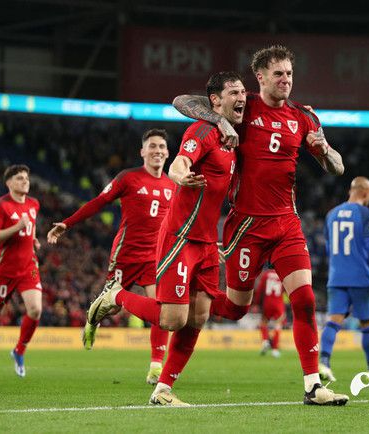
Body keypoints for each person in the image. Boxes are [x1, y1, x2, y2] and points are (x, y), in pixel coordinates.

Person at [173, 45, 348, 406]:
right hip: (246, 226)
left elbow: (338, 167)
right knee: (236, 308)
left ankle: (313, 386)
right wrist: (221, 122)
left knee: (304, 299)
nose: (286, 80)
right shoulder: (244, 105)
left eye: (290, 74)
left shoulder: (303, 117)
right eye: (278, 74)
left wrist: (324, 151)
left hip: (286, 223)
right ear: (261, 77)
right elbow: (181, 101)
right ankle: (190, 300)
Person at [86, 71, 244, 406]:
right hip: (181, 237)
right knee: (174, 319)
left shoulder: (232, 141)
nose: (242, 97)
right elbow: (180, 162)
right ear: (215, 101)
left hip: (207, 242)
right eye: (234, 92)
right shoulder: (202, 131)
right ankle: (116, 295)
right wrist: (181, 176)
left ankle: (162, 390)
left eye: (243, 91)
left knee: (199, 317)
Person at [46, 129, 176, 385]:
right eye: (152, 146)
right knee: (112, 307)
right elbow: (98, 202)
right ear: (142, 151)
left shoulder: (173, 186)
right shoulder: (128, 178)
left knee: (161, 307)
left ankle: (155, 366)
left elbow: (176, 224)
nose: (157, 150)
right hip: (125, 255)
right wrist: (68, 224)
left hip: (155, 257)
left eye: (162, 146)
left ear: (168, 152)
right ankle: (92, 320)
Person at [318, 176, 369, 383]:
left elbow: (328, 248)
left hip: (336, 277)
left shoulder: (331, 214)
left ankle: (324, 363)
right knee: (367, 324)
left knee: (333, 322)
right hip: (360, 277)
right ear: (366, 193)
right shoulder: (366, 214)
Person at [0, 164, 42, 378]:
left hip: (29, 266)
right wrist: (17, 227)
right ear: (9, 183)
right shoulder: (1, 206)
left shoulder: (33, 204)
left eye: (27, 178)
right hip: (5, 269)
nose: (25, 181)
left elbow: (30, 228)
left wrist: (33, 239)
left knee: (35, 310)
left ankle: (19, 351)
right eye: (20, 178)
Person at [253, 268, 285, 358]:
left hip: (267, 302)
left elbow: (260, 289)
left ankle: (265, 341)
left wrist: (256, 303)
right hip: (278, 302)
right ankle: (275, 350)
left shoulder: (266, 275)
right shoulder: (282, 274)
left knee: (263, 322)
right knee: (278, 325)